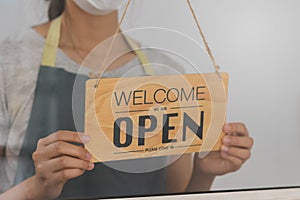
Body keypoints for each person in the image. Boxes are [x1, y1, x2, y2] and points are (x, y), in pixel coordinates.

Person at [0, 0, 254, 199]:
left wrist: (203, 173)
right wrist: (36, 188)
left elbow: (178, 196)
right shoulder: (9, 64)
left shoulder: (166, 73)